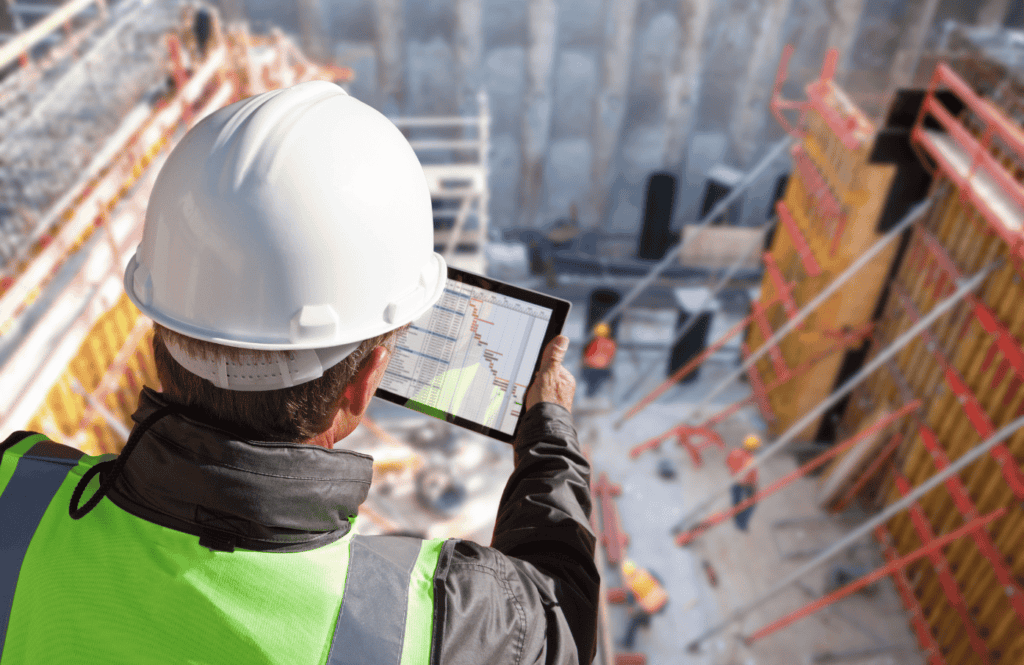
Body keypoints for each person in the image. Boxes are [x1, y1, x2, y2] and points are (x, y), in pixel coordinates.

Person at [0, 82, 599, 664]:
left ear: (160, 328)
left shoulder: (17, 491)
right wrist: (547, 435)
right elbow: (559, 614)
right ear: (362, 384)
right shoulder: (432, 626)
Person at [727, 434, 761, 531]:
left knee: (736, 501)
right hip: (747, 484)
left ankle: (737, 518)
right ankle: (742, 523)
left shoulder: (734, 452)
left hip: (735, 480)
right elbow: (752, 476)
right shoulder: (750, 460)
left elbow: (727, 462)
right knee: (751, 503)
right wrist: (753, 486)